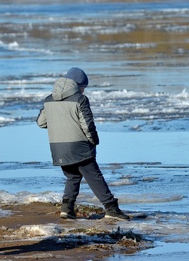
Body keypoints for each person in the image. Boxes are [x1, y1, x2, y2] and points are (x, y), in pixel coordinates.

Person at [36, 67, 130, 220]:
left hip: (58, 148)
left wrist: (59, 122)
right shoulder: (80, 100)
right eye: (83, 87)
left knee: (73, 177)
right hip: (78, 146)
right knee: (95, 177)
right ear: (77, 84)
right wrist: (94, 140)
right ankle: (111, 208)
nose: (84, 91)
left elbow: (41, 122)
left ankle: (67, 209)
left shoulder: (49, 100)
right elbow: (87, 125)